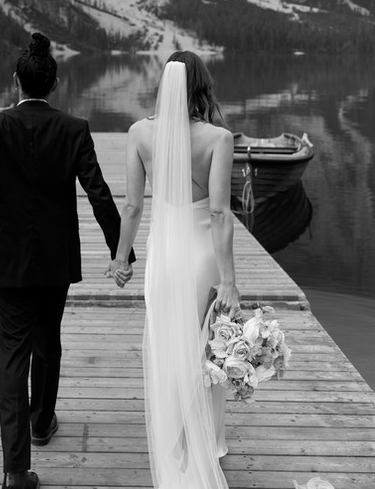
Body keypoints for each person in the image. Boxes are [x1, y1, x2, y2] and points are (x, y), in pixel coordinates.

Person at [0, 32, 133, 489]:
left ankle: (16, 471)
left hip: (9, 260)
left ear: (15, 81)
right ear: (54, 86)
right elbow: (99, 193)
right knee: (48, 339)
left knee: (12, 355)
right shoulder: (74, 129)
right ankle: (41, 421)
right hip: (55, 259)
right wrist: (122, 251)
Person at [107, 50, 239, 489]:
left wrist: (121, 258)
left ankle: (174, 443)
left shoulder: (139, 133)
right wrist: (230, 281)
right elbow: (220, 215)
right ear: (201, 85)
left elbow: (131, 205)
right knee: (206, 348)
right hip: (202, 257)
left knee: (167, 345)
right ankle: (205, 443)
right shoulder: (218, 139)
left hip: (163, 257)